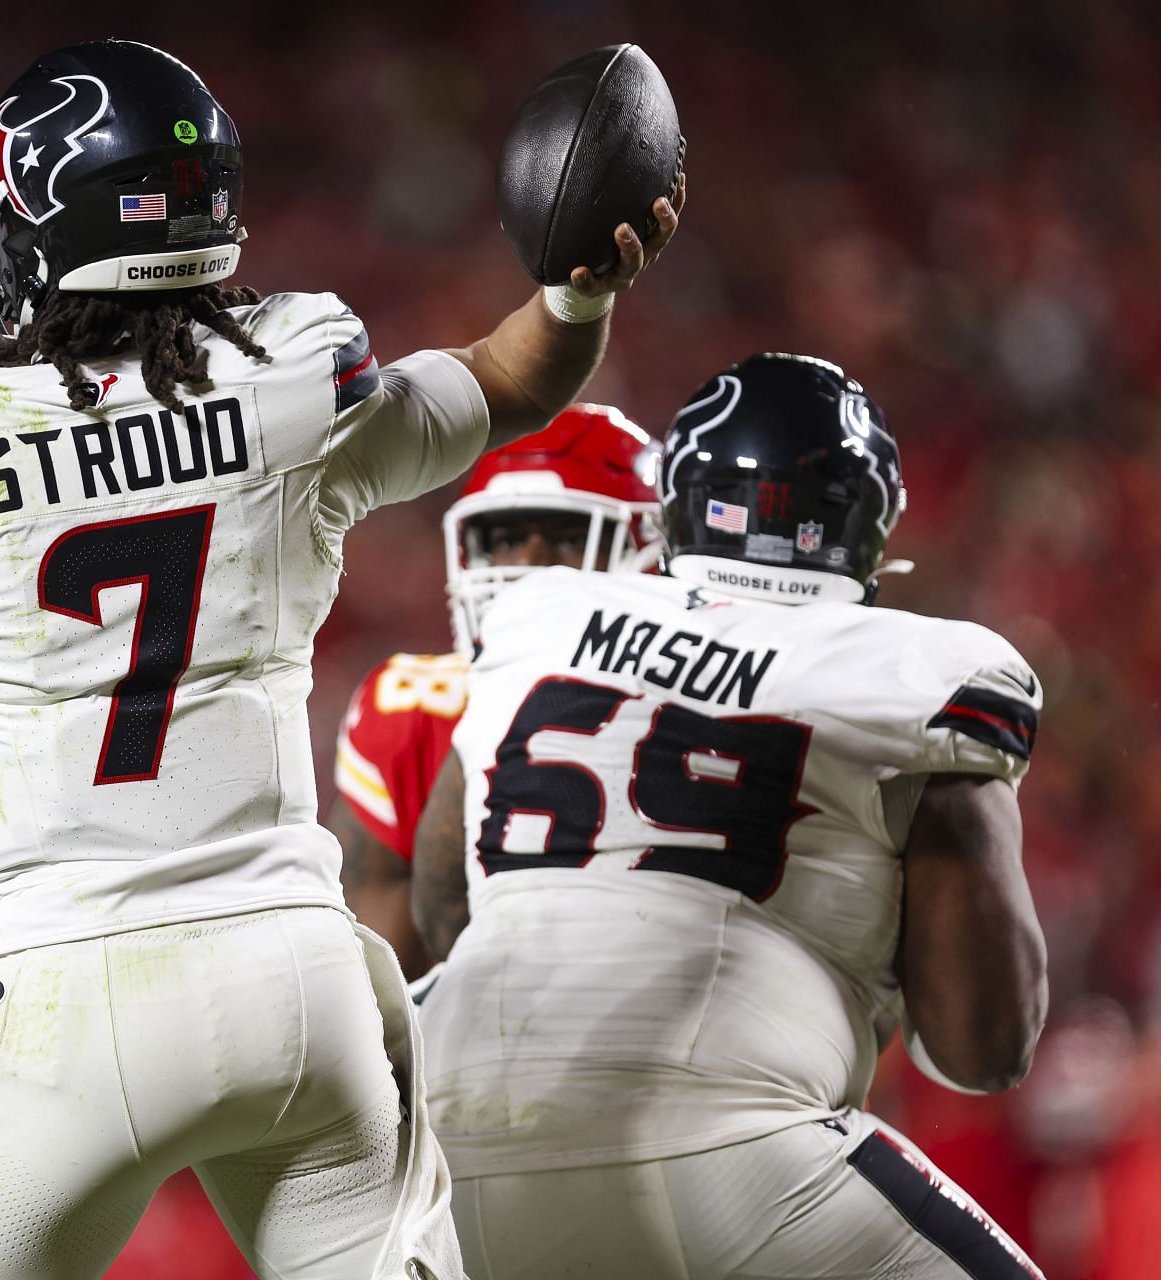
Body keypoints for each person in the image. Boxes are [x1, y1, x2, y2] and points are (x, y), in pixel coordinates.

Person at [0, 38, 682, 1280]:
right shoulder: (294, 388)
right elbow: (513, 378)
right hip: (297, 989)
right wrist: (580, 289)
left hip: (63, 1007)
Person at [411, 353, 1049, 1279]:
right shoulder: (929, 670)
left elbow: (443, 908)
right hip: (733, 1153)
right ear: (865, 522)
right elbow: (982, 1044)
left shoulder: (537, 614)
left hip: (445, 1153)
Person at [331, 405, 660, 976]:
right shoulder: (417, 711)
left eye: (568, 537)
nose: (528, 568)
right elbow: (379, 998)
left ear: (652, 551)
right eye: (506, 540)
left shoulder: (720, 701)